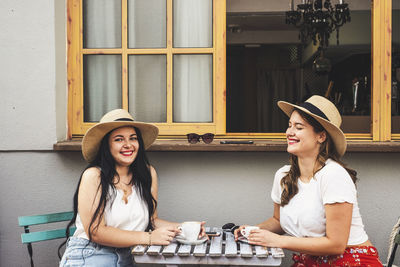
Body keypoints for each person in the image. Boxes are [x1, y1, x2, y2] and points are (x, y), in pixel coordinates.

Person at [234, 96, 383, 266]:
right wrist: (255, 231)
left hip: (350, 260)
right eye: (289, 125)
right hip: (310, 260)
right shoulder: (283, 176)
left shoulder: (333, 175)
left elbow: (336, 245)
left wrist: (277, 241)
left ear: (321, 136)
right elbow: (278, 221)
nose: (290, 132)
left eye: (299, 127)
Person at [60, 109, 205, 266]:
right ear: (106, 145)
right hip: (90, 254)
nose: (128, 145)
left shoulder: (148, 174)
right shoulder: (94, 176)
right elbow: (96, 232)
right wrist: (149, 238)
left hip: (126, 257)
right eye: (119, 139)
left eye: (133, 138)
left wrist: (185, 229)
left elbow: (152, 220)